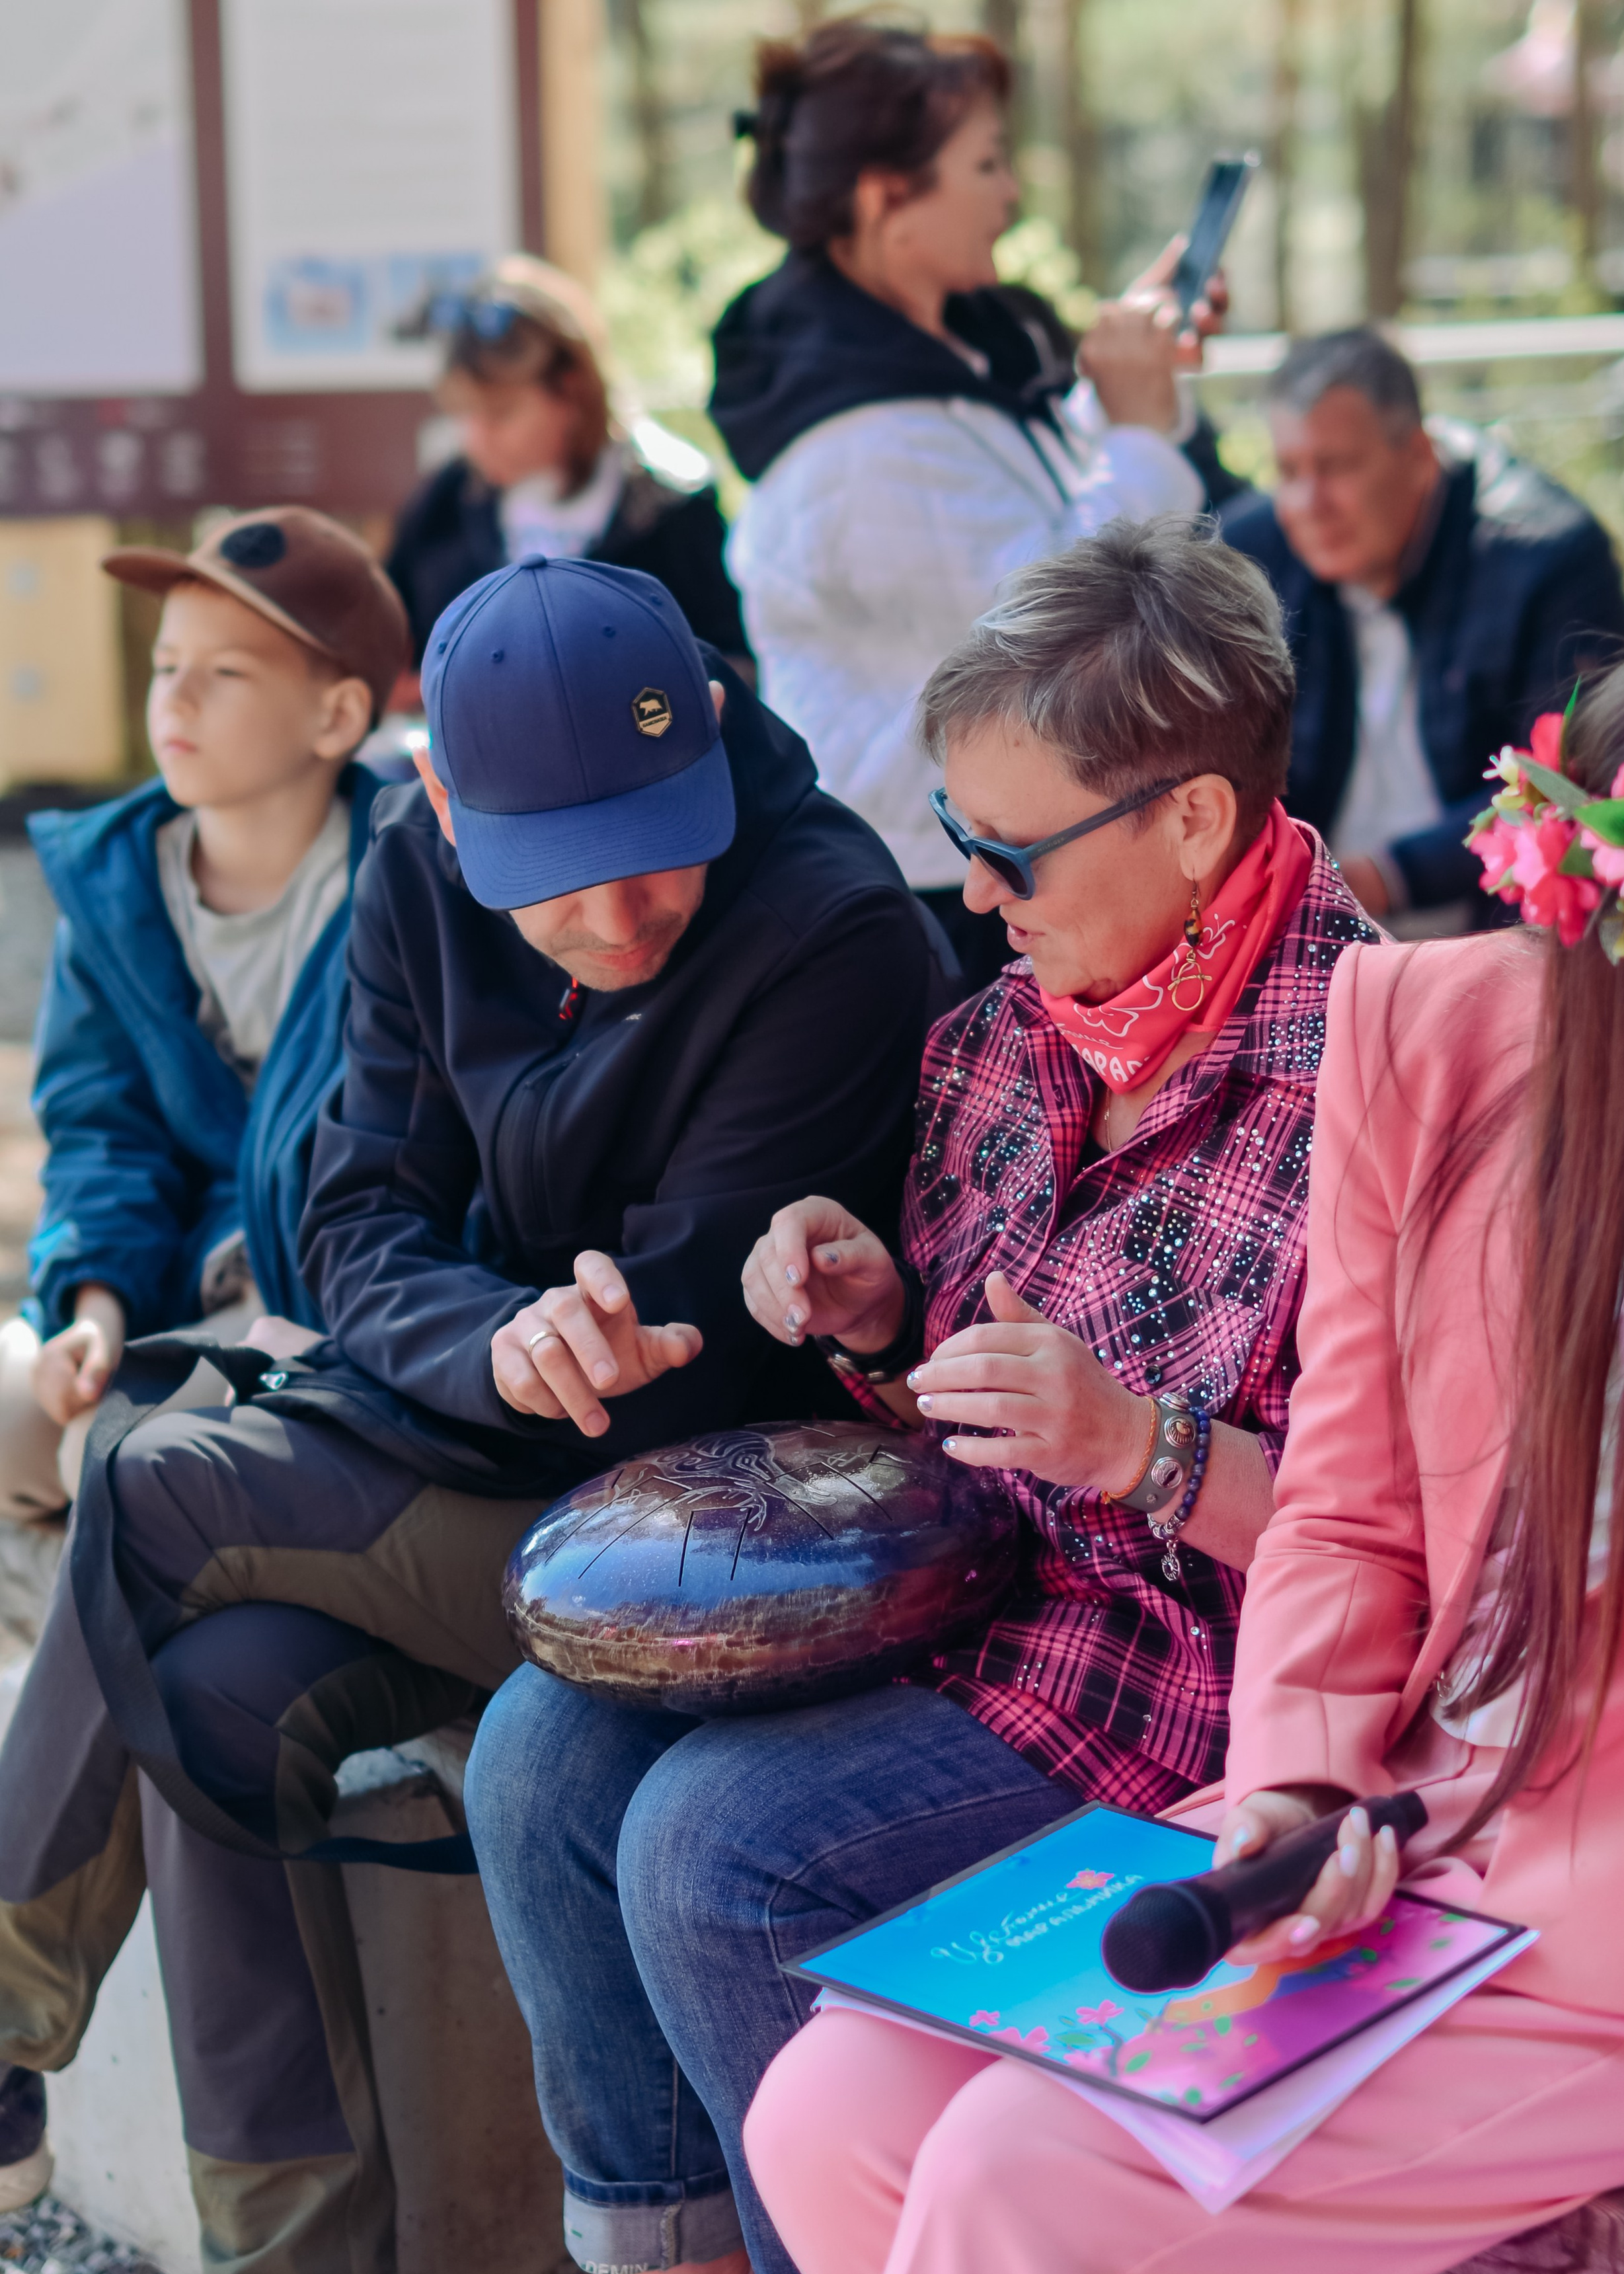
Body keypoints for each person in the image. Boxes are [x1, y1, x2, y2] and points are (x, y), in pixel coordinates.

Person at [0, 558, 940, 2274]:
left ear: (710, 744)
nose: (620, 914)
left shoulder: (830, 926)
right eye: (558, 877)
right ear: (444, 806)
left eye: (655, 850)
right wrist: (488, 1332)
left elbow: (706, 1335)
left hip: (700, 1537)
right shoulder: (420, 875)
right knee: (208, 1692)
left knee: (150, 1486)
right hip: (462, 1444)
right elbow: (355, 1213)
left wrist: (503, 1337)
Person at [461, 517, 1376, 2274]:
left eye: (1008, 853)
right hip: (969, 1602)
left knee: (715, 1841)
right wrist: (878, 1314)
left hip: (1199, 1694)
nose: (970, 892)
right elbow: (962, 1392)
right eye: (957, 837)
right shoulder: (1003, 1028)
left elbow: (1420, 1534)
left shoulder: (1381, 1071)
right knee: (538, 1752)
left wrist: (1146, 1448)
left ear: (1196, 819)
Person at [738, 638, 1624, 2274]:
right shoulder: (1433, 1030)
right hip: (1398, 1775)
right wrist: (1298, 1778)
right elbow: (1347, 1496)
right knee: (828, 2116)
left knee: (1022, 2172)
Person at [711, 18, 1219, 992]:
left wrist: (1134, 383)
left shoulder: (931, 360)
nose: (1010, 193)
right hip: (941, 895)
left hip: (981, 861)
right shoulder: (864, 440)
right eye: (985, 163)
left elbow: (1015, 509)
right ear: (885, 197)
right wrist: (1139, 428)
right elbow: (1070, 629)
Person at [0, 508, 406, 1528]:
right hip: (169, 1283)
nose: (174, 697)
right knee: (15, 1419)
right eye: (165, 664)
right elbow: (103, 1134)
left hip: (332, 1307)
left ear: (335, 717)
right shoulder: (115, 888)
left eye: (224, 673)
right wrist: (94, 1305)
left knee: (112, 1459)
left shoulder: (406, 885)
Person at [1222, 325, 1624, 937]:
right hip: (1302, 925)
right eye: (1288, 470)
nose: (1309, 502)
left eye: (1336, 466)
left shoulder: (1545, 556)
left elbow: (1577, 779)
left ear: (1418, 455)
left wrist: (1380, 878)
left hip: (1498, 929)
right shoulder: (1249, 554)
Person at [386, 254, 750, 676]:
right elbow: (394, 642)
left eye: (500, 414)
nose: (475, 439)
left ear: (571, 393)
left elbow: (731, 666)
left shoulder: (671, 501)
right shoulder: (447, 502)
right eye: (463, 414)